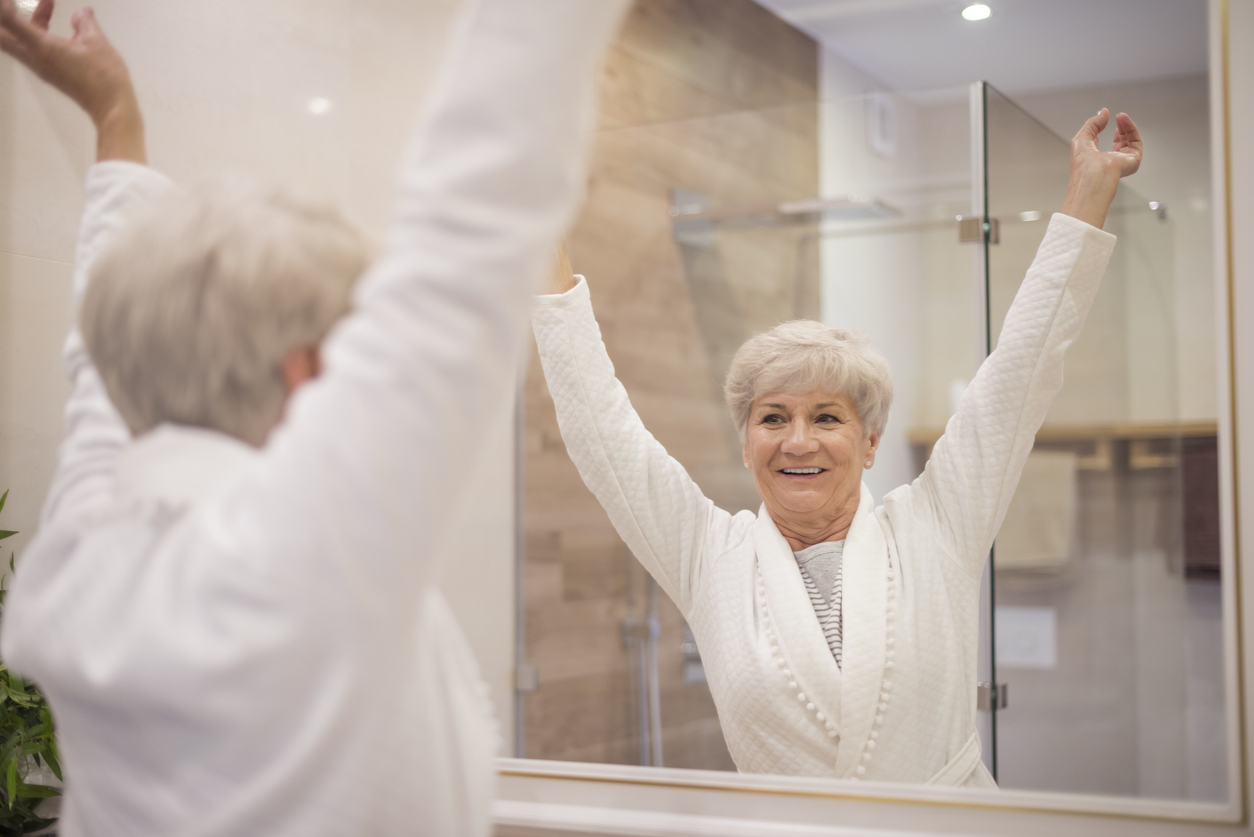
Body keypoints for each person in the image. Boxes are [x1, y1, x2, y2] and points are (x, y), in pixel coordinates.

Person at [0, 0, 627, 834]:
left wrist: (117, 117)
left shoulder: (80, 550)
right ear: (305, 366)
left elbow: (97, 368)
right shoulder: (310, 552)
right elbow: (479, 202)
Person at [534, 110, 1142, 786]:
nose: (798, 440)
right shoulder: (711, 558)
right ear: (745, 442)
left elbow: (1020, 374)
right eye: (772, 417)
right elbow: (599, 426)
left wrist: (1089, 194)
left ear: (871, 440)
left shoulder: (936, 527)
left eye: (826, 416)